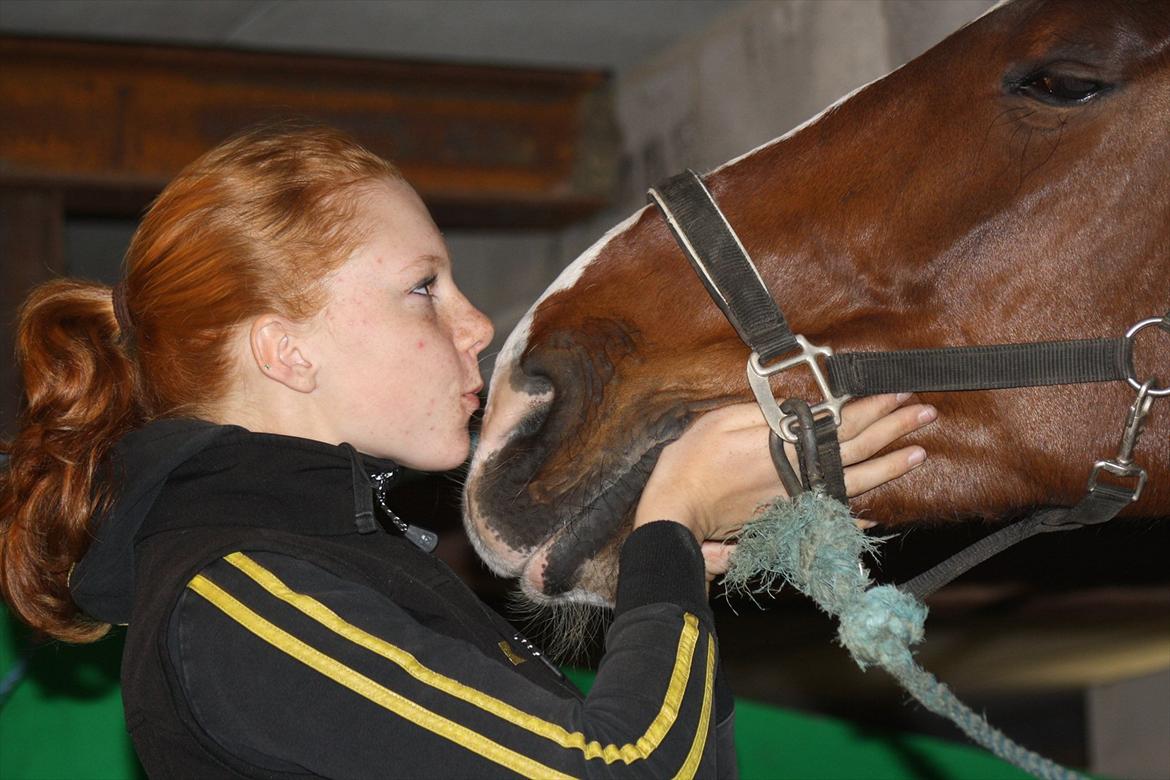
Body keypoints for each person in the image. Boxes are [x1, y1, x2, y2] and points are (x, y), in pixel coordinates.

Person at [0, 124, 936, 778]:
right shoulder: (240, 598)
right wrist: (672, 524)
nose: (478, 323)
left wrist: (669, 564)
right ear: (285, 350)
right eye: (423, 288)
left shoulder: (323, 568)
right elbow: (620, 772)